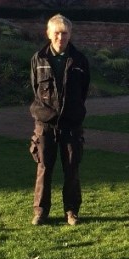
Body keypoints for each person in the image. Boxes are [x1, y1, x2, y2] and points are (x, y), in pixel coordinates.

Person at [29, 14, 90, 226]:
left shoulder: (79, 60)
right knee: (44, 168)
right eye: (56, 33)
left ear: (70, 34)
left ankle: (71, 211)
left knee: (71, 168)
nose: (60, 37)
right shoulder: (39, 59)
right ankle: (41, 211)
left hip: (71, 124)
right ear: (48, 34)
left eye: (64, 33)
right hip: (45, 124)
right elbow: (36, 89)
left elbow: (83, 91)